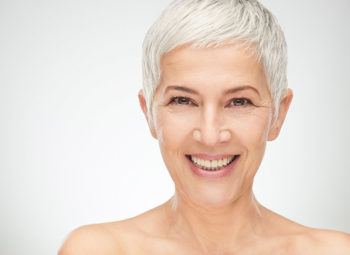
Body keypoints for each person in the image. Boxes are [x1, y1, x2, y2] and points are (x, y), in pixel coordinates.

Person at [58, 0, 350, 254]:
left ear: (278, 115)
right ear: (148, 113)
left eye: (239, 102)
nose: (210, 136)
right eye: (183, 100)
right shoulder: (97, 250)